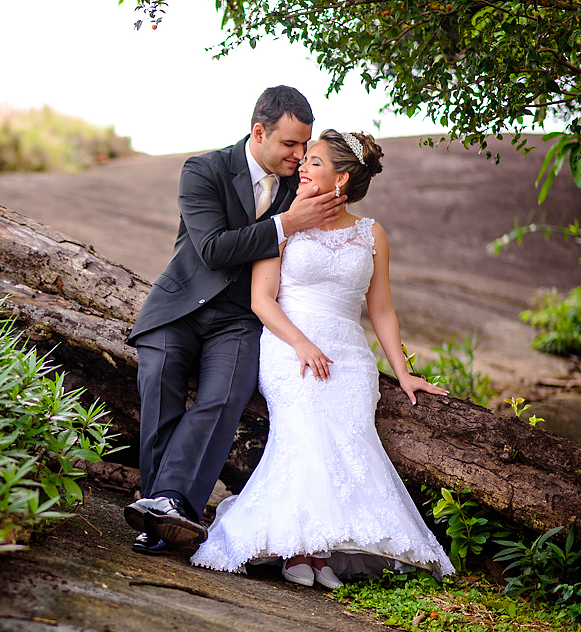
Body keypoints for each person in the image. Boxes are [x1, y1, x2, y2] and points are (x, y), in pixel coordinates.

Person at [190, 130, 455, 586]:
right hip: (288, 347)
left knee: (351, 439)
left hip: (349, 357)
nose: (302, 167)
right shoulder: (283, 222)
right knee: (307, 433)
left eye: (313, 162)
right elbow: (262, 300)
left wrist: (404, 372)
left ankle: (317, 552)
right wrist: (301, 343)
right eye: (304, 160)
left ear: (342, 178)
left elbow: (382, 310)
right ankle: (302, 551)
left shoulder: (372, 232)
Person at [125, 86, 345, 555]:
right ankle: (164, 509)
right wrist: (287, 224)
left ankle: (165, 505)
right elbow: (214, 249)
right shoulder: (202, 170)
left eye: (305, 146)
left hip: (243, 317)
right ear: (259, 132)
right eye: (290, 145)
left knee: (224, 394)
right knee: (158, 376)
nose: (299, 156)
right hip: (181, 307)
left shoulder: (298, 185)